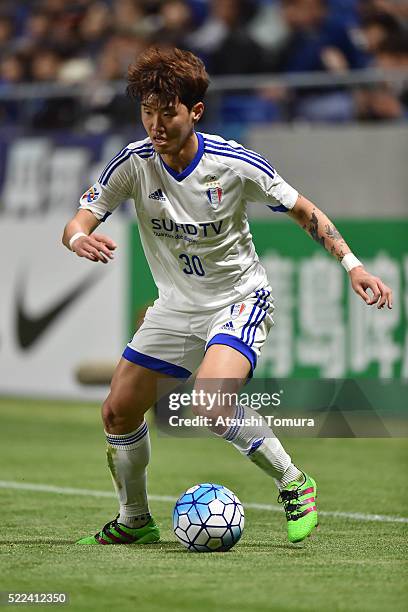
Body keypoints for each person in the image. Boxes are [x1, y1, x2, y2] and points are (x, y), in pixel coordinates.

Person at [62, 46, 392, 546]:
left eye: (166, 111)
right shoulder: (131, 164)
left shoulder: (234, 163)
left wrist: (352, 265)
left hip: (238, 298)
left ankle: (294, 483)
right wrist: (76, 238)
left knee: (211, 404)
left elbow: (304, 211)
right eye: (147, 111)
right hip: (174, 306)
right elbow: (80, 219)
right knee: (117, 411)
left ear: (194, 111)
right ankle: (135, 520)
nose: (155, 123)